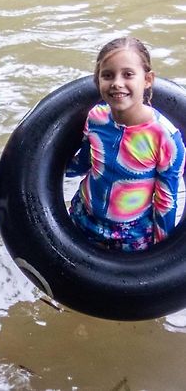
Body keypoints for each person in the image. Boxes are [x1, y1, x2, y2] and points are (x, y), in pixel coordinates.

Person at [66, 36, 185, 252]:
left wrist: (161, 255)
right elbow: (84, 162)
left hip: (132, 235)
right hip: (84, 217)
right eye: (108, 75)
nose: (117, 83)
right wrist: (38, 170)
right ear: (98, 80)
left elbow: (166, 200)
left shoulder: (165, 136)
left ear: (147, 79)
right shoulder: (96, 118)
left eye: (128, 74)